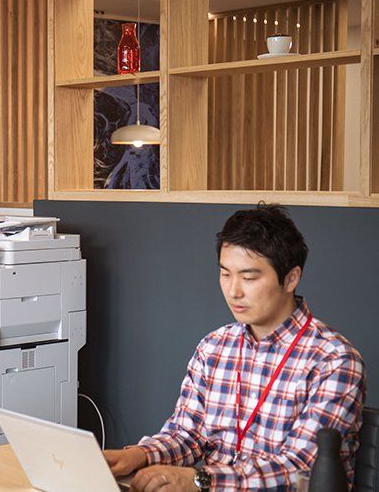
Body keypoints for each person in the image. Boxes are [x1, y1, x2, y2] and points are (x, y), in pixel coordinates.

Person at [103, 204, 365, 492]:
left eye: (249, 277)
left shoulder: (334, 360)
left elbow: (303, 470)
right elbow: (187, 435)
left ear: (291, 278)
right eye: (226, 274)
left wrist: (200, 480)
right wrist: (138, 455)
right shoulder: (214, 347)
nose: (233, 291)